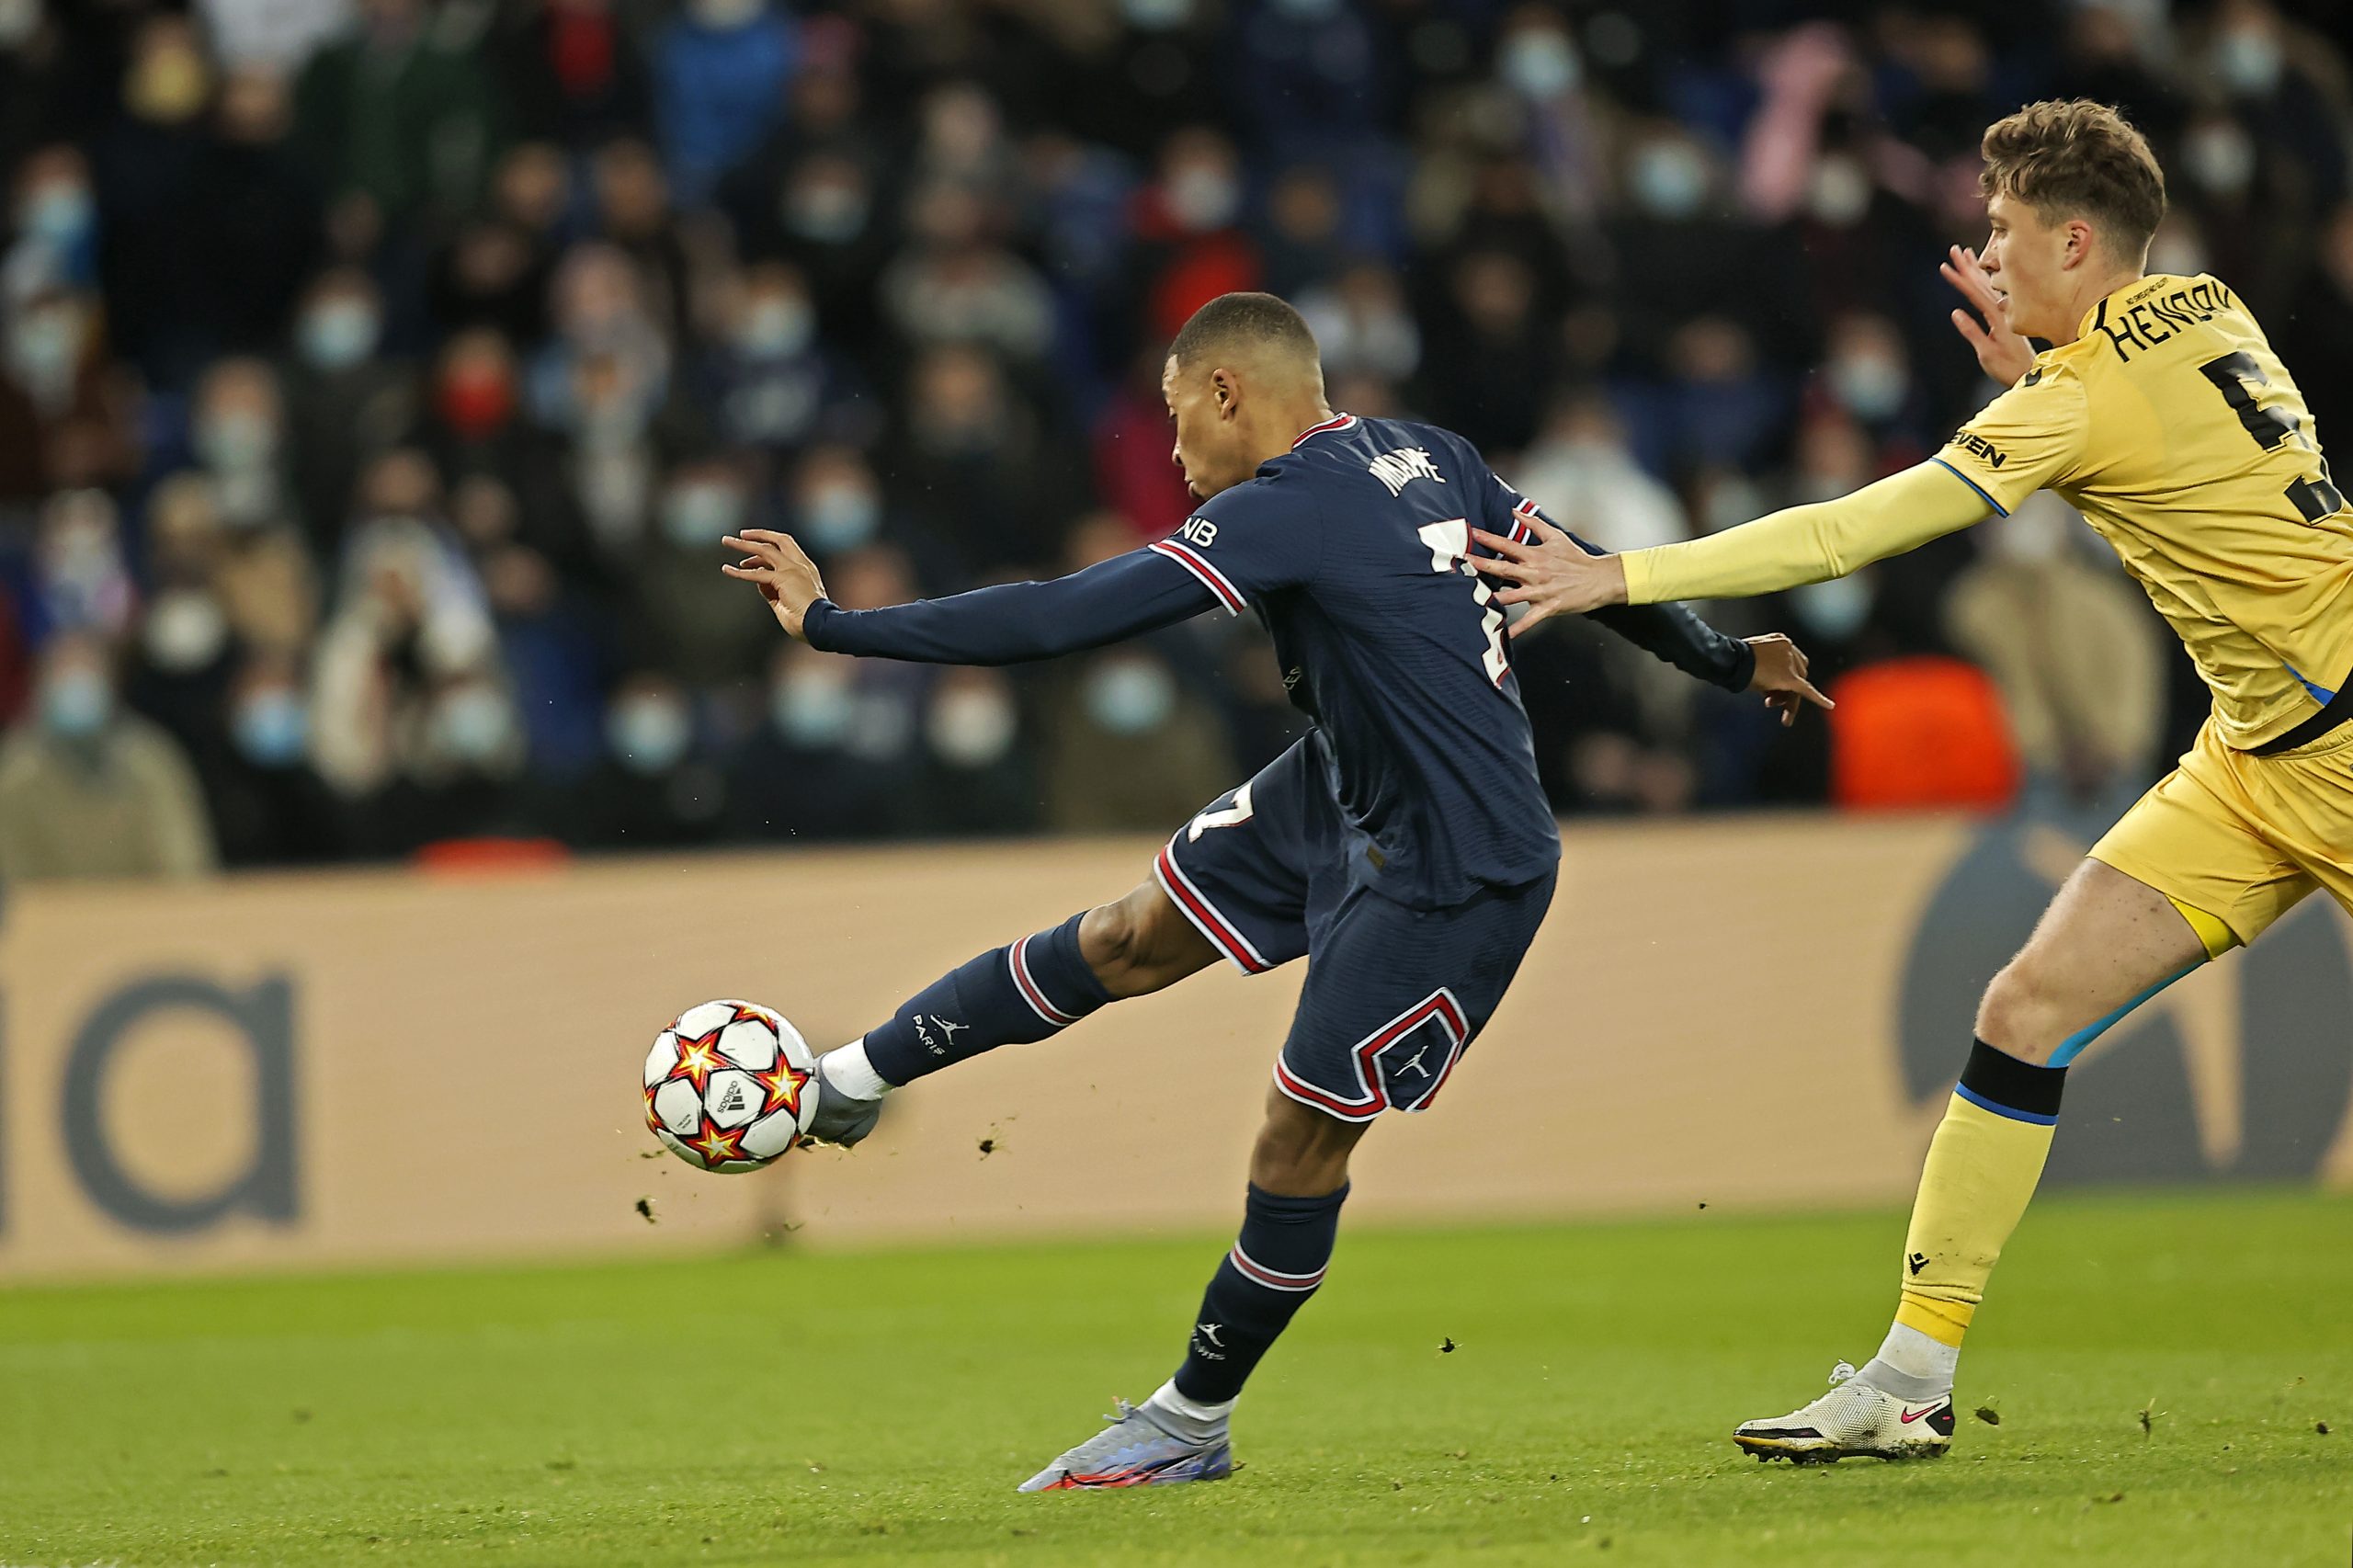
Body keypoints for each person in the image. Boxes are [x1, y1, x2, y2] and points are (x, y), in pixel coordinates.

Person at [716, 292, 1829, 1489]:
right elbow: (1594, 575)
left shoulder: (1285, 507)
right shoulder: (1429, 455)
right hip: (1342, 784)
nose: (1175, 446)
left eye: (1176, 412)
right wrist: (1727, 657)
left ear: (1227, 392)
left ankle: (1191, 1419)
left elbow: (1064, 615)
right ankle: (846, 1083)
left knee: (1299, 1136)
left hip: (1456, 857)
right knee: (1129, 935)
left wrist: (836, 625)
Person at [1474, 99, 2353, 1464]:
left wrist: (1620, 574)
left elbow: (1850, 528)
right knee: (2027, 1005)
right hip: (2257, 754)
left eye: (2004, 230)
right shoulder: (2202, 302)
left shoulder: (2078, 398)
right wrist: (2043, 367)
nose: (1987, 251)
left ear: (2074, 237)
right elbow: (2165, 445)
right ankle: (1908, 1375)